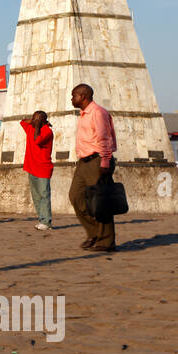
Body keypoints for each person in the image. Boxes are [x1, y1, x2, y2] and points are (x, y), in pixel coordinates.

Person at [69, 83, 117, 253]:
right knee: (76, 197)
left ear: (83, 96)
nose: (71, 98)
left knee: (100, 201)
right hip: (84, 162)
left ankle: (106, 241)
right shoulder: (84, 114)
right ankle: (94, 232)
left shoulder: (97, 112)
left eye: (74, 95)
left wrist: (105, 161)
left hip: (97, 160)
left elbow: (105, 138)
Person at [20, 110, 54, 230]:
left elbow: (37, 140)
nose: (35, 120)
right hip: (31, 167)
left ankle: (46, 221)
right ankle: (42, 219)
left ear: (43, 121)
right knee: (36, 196)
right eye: (34, 118)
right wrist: (34, 121)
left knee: (44, 195)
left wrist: (39, 125)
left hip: (43, 168)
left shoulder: (47, 131)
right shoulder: (31, 127)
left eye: (38, 119)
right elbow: (22, 121)